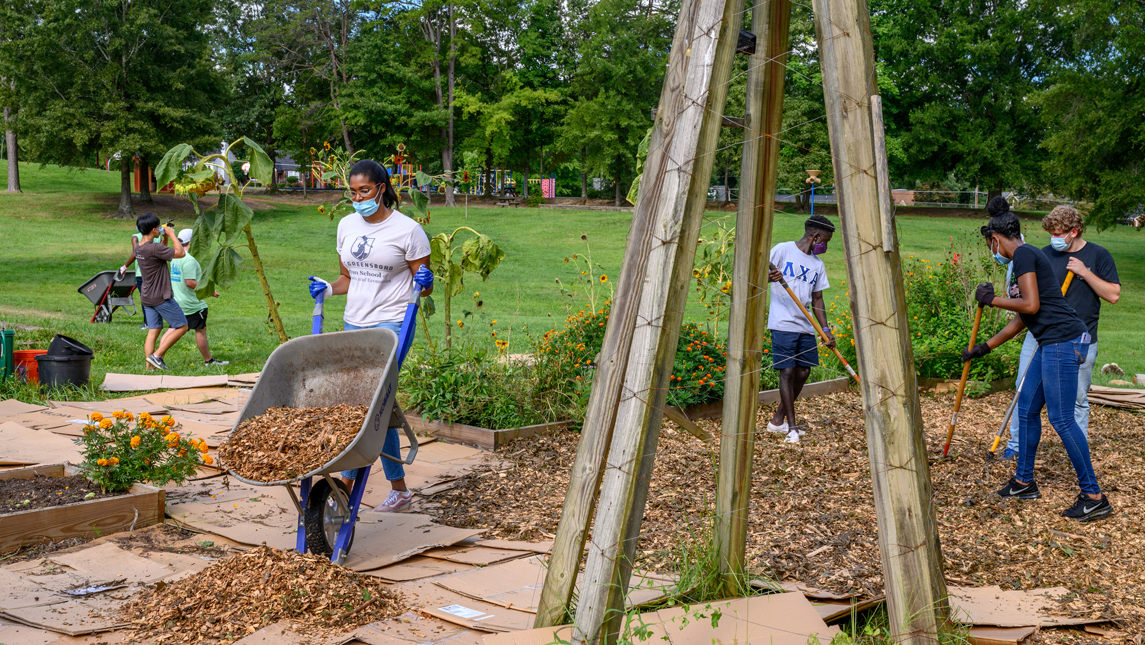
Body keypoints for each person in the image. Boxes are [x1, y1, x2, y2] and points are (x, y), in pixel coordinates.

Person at [963, 199, 1111, 521]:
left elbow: (1028, 306)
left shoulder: (1025, 255)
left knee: (1062, 419)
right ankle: (1023, 481)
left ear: (996, 240)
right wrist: (984, 348)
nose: (993, 250)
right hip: (1050, 342)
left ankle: (1094, 495)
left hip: (1063, 341)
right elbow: (1022, 320)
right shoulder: (1024, 260)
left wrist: (991, 300)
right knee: (1028, 409)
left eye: (991, 245)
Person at [309, 159, 434, 513]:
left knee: (366, 402)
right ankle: (399, 490)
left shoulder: (408, 230)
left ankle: (344, 491)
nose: (358, 197)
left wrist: (425, 285)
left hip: (392, 324)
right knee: (378, 406)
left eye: (364, 191)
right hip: (355, 322)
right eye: (352, 192)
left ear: (381, 188)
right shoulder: (347, 225)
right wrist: (327, 289)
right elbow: (348, 278)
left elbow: (422, 284)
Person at [1003, 205, 1120, 459]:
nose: (1053, 238)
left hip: (1080, 340)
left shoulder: (1099, 255)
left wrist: (1085, 272)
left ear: (1073, 231)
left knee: (1076, 400)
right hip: (1040, 335)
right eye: (1051, 233)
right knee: (1024, 390)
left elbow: (1113, 295)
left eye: (1058, 233)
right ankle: (1015, 447)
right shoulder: (1042, 255)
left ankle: (1076, 454)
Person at [765, 214, 836, 444]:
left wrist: (824, 329)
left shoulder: (817, 264)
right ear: (815, 237)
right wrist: (770, 277)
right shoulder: (783, 250)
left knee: (804, 372)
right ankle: (792, 428)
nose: (826, 246)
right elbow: (757, 273)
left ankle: (777, 420)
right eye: (825, 240)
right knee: (787, 372)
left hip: (805, 325)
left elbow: (818, 299)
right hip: (783, 322)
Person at [133, 213, 189, 371]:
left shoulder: (139, 248)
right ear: (153, 229)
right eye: (158, 227)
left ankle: (149, 369)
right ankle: (157, 356)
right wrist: (171, 235)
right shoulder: (155, 248)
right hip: (161, 297)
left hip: (147, 296)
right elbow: (180, 253)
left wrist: (163, 236)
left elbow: (160, 252)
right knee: (182, 326)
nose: (160, 228)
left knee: (154, 330)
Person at [168, 229, 229, 367]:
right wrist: (209, 290)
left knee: (173, 329)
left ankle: (157, 355)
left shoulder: (174, 257)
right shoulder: (188, 259)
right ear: (193, 240)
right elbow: (189, 282)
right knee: (200, 330)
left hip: (178, 301)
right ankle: (208, 361)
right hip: (192, 304)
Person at [121, 220, 165, 330]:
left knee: (151, 297)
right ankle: (151, 322)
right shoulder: (142, 237)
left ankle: (152, 322)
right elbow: (137, 252)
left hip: (148, 272)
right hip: (148, 273)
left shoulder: (149, 236)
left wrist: (125, 266)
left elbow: (137, 252)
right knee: (150, 297)